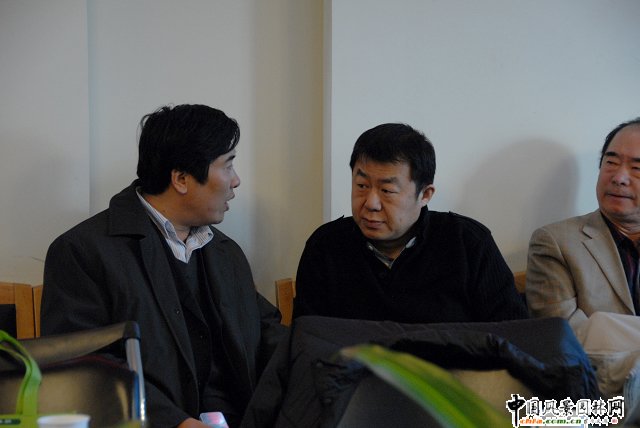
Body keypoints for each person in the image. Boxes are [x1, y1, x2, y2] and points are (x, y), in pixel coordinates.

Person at [41, 104, 286, 428]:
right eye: (228, 165)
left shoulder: (225, 252)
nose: (236, 180)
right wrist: (175, 422)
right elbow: (81, 367)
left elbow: (265, 333)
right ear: (181, 179)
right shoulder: (83, 251)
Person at [292, 123, 528, 323]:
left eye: (387, 190)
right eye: (361, 186)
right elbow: (308, 342)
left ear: (425, 194)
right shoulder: (325, 247)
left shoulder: (468, 243)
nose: (371, 203)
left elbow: (513, 336)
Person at [525, 117, 640, 399]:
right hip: (599, 399)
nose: (619, 177)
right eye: (611, 162)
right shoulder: (555, 242)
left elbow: (596, 334)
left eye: (637, 168)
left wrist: (607, 328)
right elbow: (567, 343)